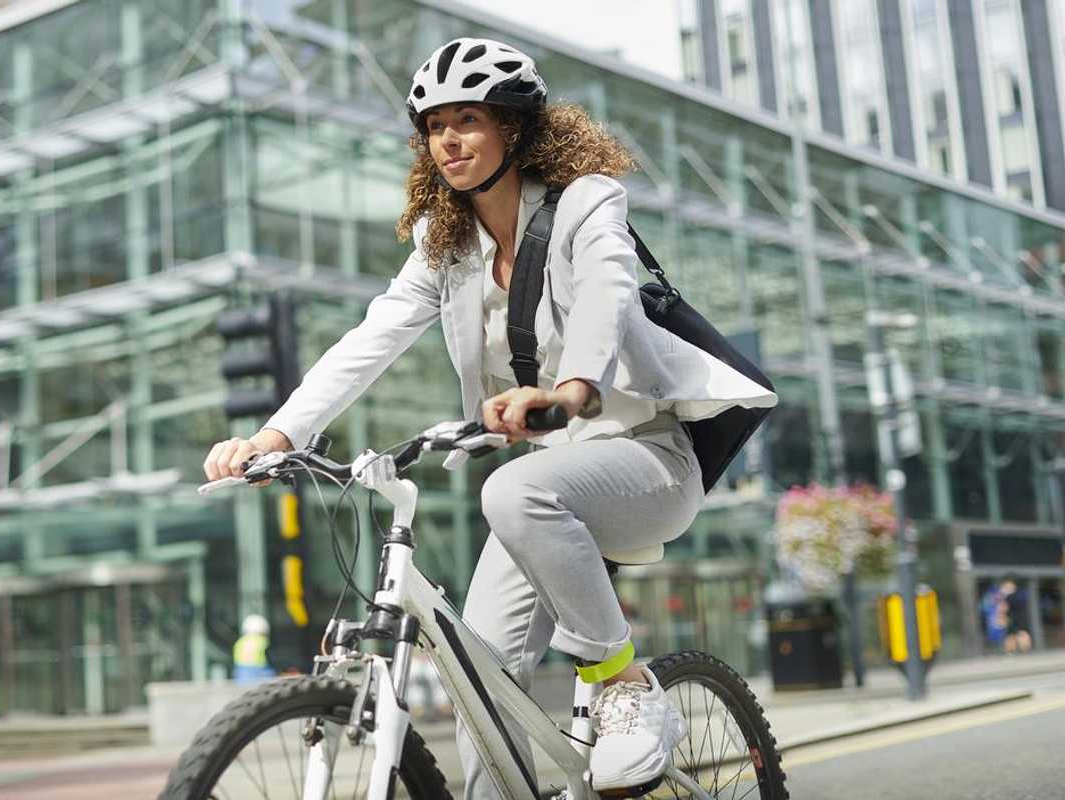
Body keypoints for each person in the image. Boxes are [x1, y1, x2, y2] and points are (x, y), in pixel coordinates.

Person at [203, 37, 775, 797]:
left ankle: (624, 685)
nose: (448, 139)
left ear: (514, 128)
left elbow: (606, 292)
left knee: (511, 491)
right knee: (480, 687)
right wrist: (276, 436)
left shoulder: (586, 201)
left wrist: (571, 391)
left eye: (467, 119)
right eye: (434, 125)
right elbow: (371, 338)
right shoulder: (447, 245)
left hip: (644, 460)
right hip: (545, 491)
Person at [232, 614, 276, 684]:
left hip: (241, 675)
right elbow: (271, 659)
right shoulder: (262, 641)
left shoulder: (239, 642)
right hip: (259, 673)